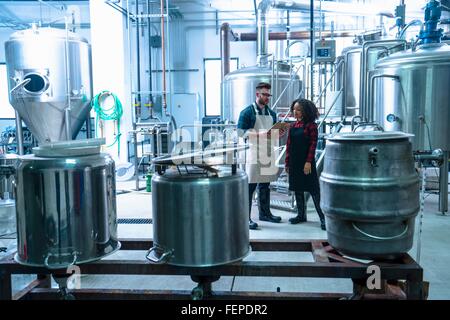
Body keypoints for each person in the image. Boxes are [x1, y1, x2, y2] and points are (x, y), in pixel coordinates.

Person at [237, 82, 285, 230]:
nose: (267, 97)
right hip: (252, 151)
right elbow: (240, 133)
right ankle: (245, 218)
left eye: (269, 95)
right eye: (265, 94)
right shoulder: (247, 112)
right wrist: (259, 134)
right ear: (257, 94)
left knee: (265, 185)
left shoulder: (272, 113)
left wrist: (279, 132)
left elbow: (273, 132)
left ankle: (265, 213)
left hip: (267, 151)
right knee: (250, 186)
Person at [285, 98, 326, 230]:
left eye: (299, 110)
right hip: (294, 162)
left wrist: (308, 162)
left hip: (306, 163)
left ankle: (323, 218)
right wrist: (287, 163)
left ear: (305, 111)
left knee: (314, 190)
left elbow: (313, 145)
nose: (295, 112)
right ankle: (301, 215)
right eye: (294, 109)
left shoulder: (311, 126)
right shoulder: (292, 126)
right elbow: (288, 146)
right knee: (297, 188)